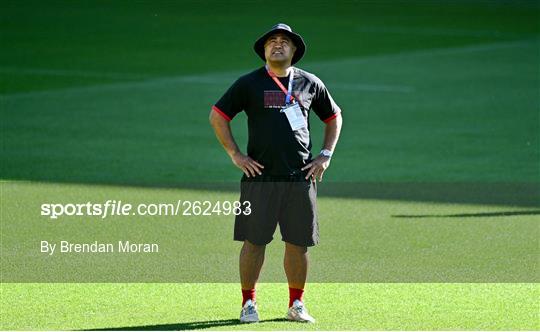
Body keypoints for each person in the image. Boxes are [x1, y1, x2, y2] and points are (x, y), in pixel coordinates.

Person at [209, 23, 342, 323]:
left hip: (300, 178)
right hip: (260, 180)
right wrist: (235, 154)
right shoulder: (249, 84)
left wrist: (325, 155)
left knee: (298, 243)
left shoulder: (310, 83)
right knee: (254, 242)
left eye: (284, 41)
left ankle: (296, 304)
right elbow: (218, 116)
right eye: (272, 41)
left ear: (295, 50)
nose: (277, 44)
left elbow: (334, 116)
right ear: (264, 50)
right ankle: (248, 304)